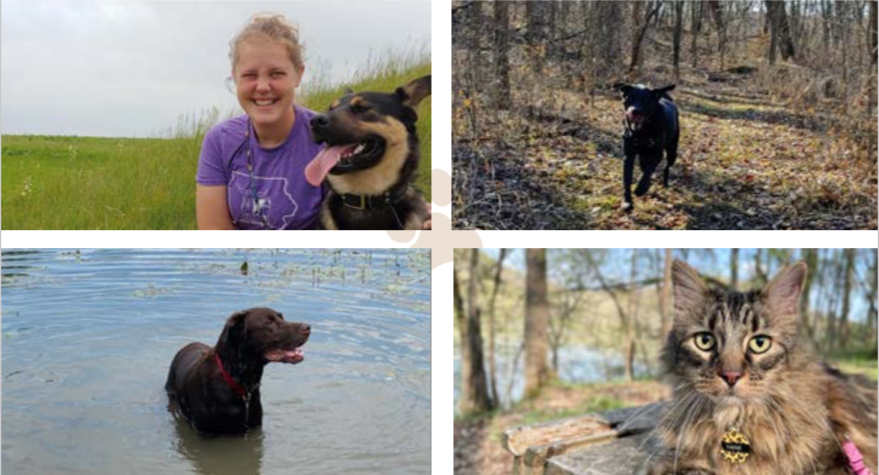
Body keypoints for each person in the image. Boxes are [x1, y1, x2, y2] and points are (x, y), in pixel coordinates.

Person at [196, 13, 430, 230]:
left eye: (277, 73)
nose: (263, 87)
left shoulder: (330, 135)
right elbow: (214, 232)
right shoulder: (220, 140)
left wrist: (423, 214)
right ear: (235, 77)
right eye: (250, 75)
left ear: (298, 74)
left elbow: (376, 193)